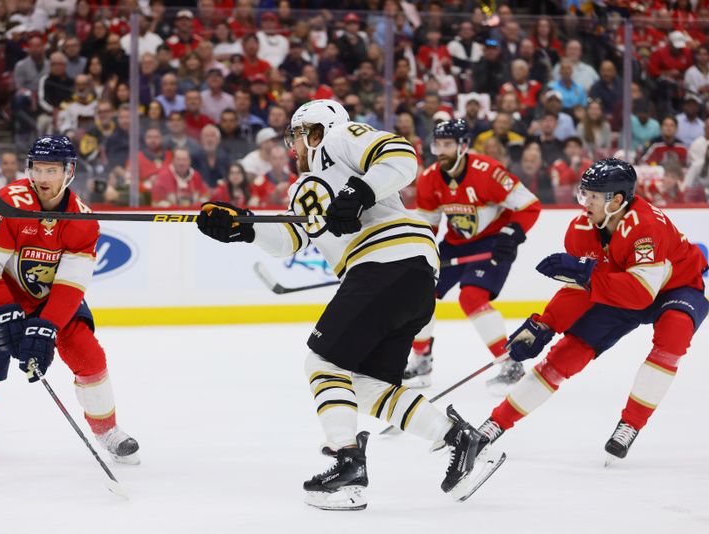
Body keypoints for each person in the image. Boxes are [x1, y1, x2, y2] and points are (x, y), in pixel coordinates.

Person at [196, 100, 504, 510]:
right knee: (362, 385)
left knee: (322, 365)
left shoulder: (341, 140)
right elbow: (292, 239)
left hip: (386, 262)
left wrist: (358, 192)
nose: (294, 146)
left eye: (300, 134)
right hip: (407, 276)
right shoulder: (306, 185)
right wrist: (242, 227)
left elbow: (401, 156)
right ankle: (461, 438)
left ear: (320, 129)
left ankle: (347, 466)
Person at [0, 136, 141, 465]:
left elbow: (71, 283)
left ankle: (106, 430)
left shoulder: (83, 221)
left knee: (89, 355)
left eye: (53, 170)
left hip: (50, 298)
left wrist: (46, 327)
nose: (43, 178)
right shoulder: (8, 203)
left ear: (69, 172)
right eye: (38, 168)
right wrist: (5, 314)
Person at [474, 158, 707, 466]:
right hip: (619, 287)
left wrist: (586, 274)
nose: (585, 203)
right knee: (565, 354)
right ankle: (495, 424)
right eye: (584, 194)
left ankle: (631, 424)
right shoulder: (581, 229)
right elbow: (579, 291)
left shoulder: (645, 227)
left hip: (674, 287)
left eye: (594, 196)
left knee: (674, 332)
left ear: (618, 200)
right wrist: (545, 325)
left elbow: (640, 294)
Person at [405, 119, 541, 392]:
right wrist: (419, 253)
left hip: (492, 243)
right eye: (437, 144)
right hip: (456, 244)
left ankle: (510, 363)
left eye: (447, 144)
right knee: (418, 291)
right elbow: (428, 225)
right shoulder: (430, 178)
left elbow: (529, 206)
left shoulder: (488, 172)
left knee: (472, 296)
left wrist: (511, 235)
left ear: (463, 146)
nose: (440, 150)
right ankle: (421, 359)